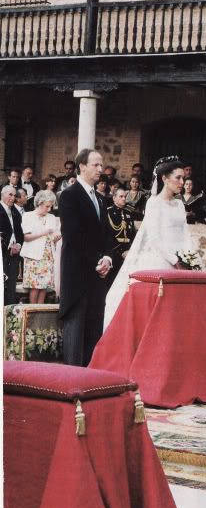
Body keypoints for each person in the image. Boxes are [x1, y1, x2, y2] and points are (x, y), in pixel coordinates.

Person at [104, 156, 195, 328]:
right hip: (160, 260)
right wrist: (175, 261)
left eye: (183, 178)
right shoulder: (154, 203)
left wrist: (190, 258)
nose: (182, 181)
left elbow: (186, 234)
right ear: (164, 178)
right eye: (178, 177)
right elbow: (154, 238)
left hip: (181, 261)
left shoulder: (180, 205)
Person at [58, 148, 115, 366]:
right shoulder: (70, 196)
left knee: (94, 327)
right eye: (96, 165)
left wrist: (108, 258)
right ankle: (71, 381)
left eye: (102, 165)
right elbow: (73, 235)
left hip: (97, 275)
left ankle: (90, 377)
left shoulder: (100, 199)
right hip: (78, 273)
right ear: (82, 166)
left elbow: (106, 235)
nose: (101, 169)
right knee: (76, 328)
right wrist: (95, 262)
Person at [20, 190, 60, 304]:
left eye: (50, 206)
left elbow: (52, 236)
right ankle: (33, 312)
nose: (49, 209)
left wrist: (56, 239)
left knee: (44, 286)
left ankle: (40, 312)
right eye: (47, 206)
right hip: (33, 255)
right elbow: (26, 237)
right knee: (34, 286)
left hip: (48, 255)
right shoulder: (28, 216)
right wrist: (45, 232)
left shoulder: (52, 217)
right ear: (40, 203)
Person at [105, 186, 137, 284]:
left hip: (127, 252)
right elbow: (107, 235)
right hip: (114, 251)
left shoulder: (129, 213)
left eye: (125, 196)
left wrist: (129, 250)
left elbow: (132, 235)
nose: (124, 199)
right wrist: (121, 251)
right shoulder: (108, 212)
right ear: (114, 198)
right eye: (121, 196)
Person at [0, 184, 24, 305]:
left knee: (12, 284)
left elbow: (20, 232)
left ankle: (10, 311)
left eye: (14, 195)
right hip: (2, 253)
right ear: (2, 194)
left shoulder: (15, 211)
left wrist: (19, 245)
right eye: (10, 194)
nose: (13, 198)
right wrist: (8, 248)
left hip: (15, 253)